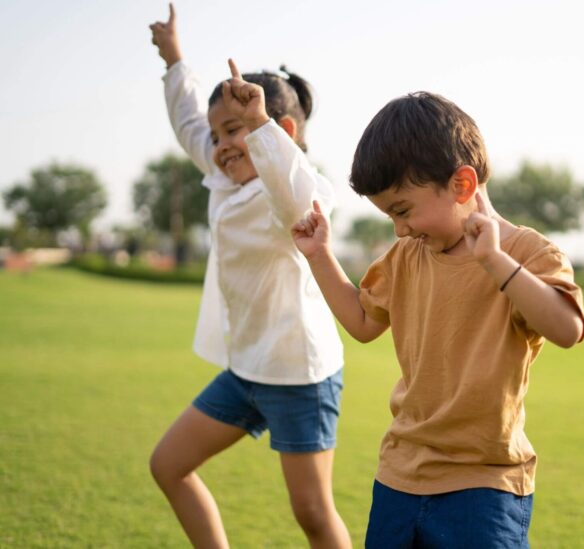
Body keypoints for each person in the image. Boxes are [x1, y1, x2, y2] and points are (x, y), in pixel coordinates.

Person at [292, 91, 584, 548]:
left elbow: (568, 330)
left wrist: (494, 261)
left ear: (462, 186)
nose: (400, 228)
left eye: (403, 210)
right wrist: (319, 256)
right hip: (400, 474)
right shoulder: (408, 255)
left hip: (484, 484)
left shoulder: (527, 254)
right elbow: (363, 323)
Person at [148, 5, 351, 548]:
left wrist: (257, 127)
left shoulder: (289, 193)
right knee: (168, 464)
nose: (220, 146)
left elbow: (300, 195)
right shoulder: (223, 176)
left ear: (278, 131)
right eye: (219, 136)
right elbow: (191, 123)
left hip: (299, 375)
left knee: (311, 512)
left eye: (234, 130)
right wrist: (174, 61)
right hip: (246, 370)